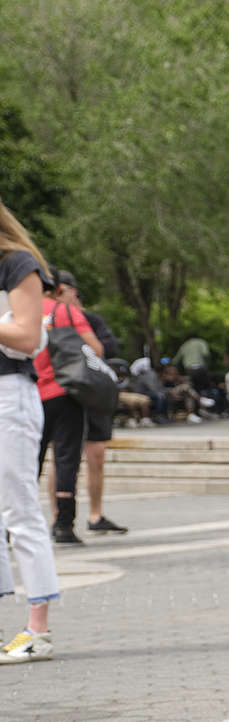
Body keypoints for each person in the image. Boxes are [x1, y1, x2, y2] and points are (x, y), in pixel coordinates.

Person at [0, 203, 61, 664]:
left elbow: (25, 336)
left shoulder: (17, 263)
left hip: (9, 394)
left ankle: (37, 629)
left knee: (20, 509)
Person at [48, 273, 125, 533]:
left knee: (92, 453)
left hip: (86, 389)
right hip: (61, 391)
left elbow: (106, 347)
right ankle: (59, 517)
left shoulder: (86, 317)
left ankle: (93, 515)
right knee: (61, 457)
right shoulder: (47, 314)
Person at [32, 291, 107, 546]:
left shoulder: (15, 309)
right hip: (63, 392)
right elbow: (96, 350)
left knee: (28, 462)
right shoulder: (63, 311)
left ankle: (12, 524)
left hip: (28, 393)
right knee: (66, 459)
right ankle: (63, 525)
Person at [173, 331, 219, 418]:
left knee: (194, 390)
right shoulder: (200, 342)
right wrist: (207, 364)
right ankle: (209, 409)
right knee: (208, 388)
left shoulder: (184, 345)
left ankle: (197, 410)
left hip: (190, 370)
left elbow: (176, 361)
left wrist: (177, 372)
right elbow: (206, 354)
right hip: (200, 368)